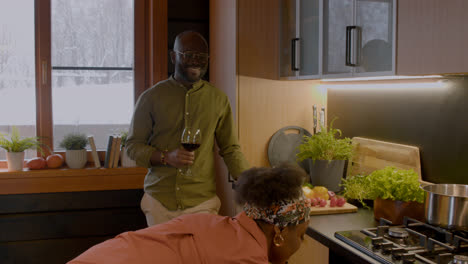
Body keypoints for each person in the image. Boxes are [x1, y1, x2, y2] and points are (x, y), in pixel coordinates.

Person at [68, 165, 312, 264]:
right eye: (301, 235)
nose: (303, 242)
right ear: (278, 231)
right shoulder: (247, 257)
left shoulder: (209, 221)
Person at [125, 30, 249, 226]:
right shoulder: (150, 98)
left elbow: (231, 149)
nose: (195, 61)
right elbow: (132, 146)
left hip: (203, 203)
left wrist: (251, 185)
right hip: (159, 203)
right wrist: (166, 157)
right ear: (173, 57)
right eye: (188, 55)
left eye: (201, 57)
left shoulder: (219, 99)